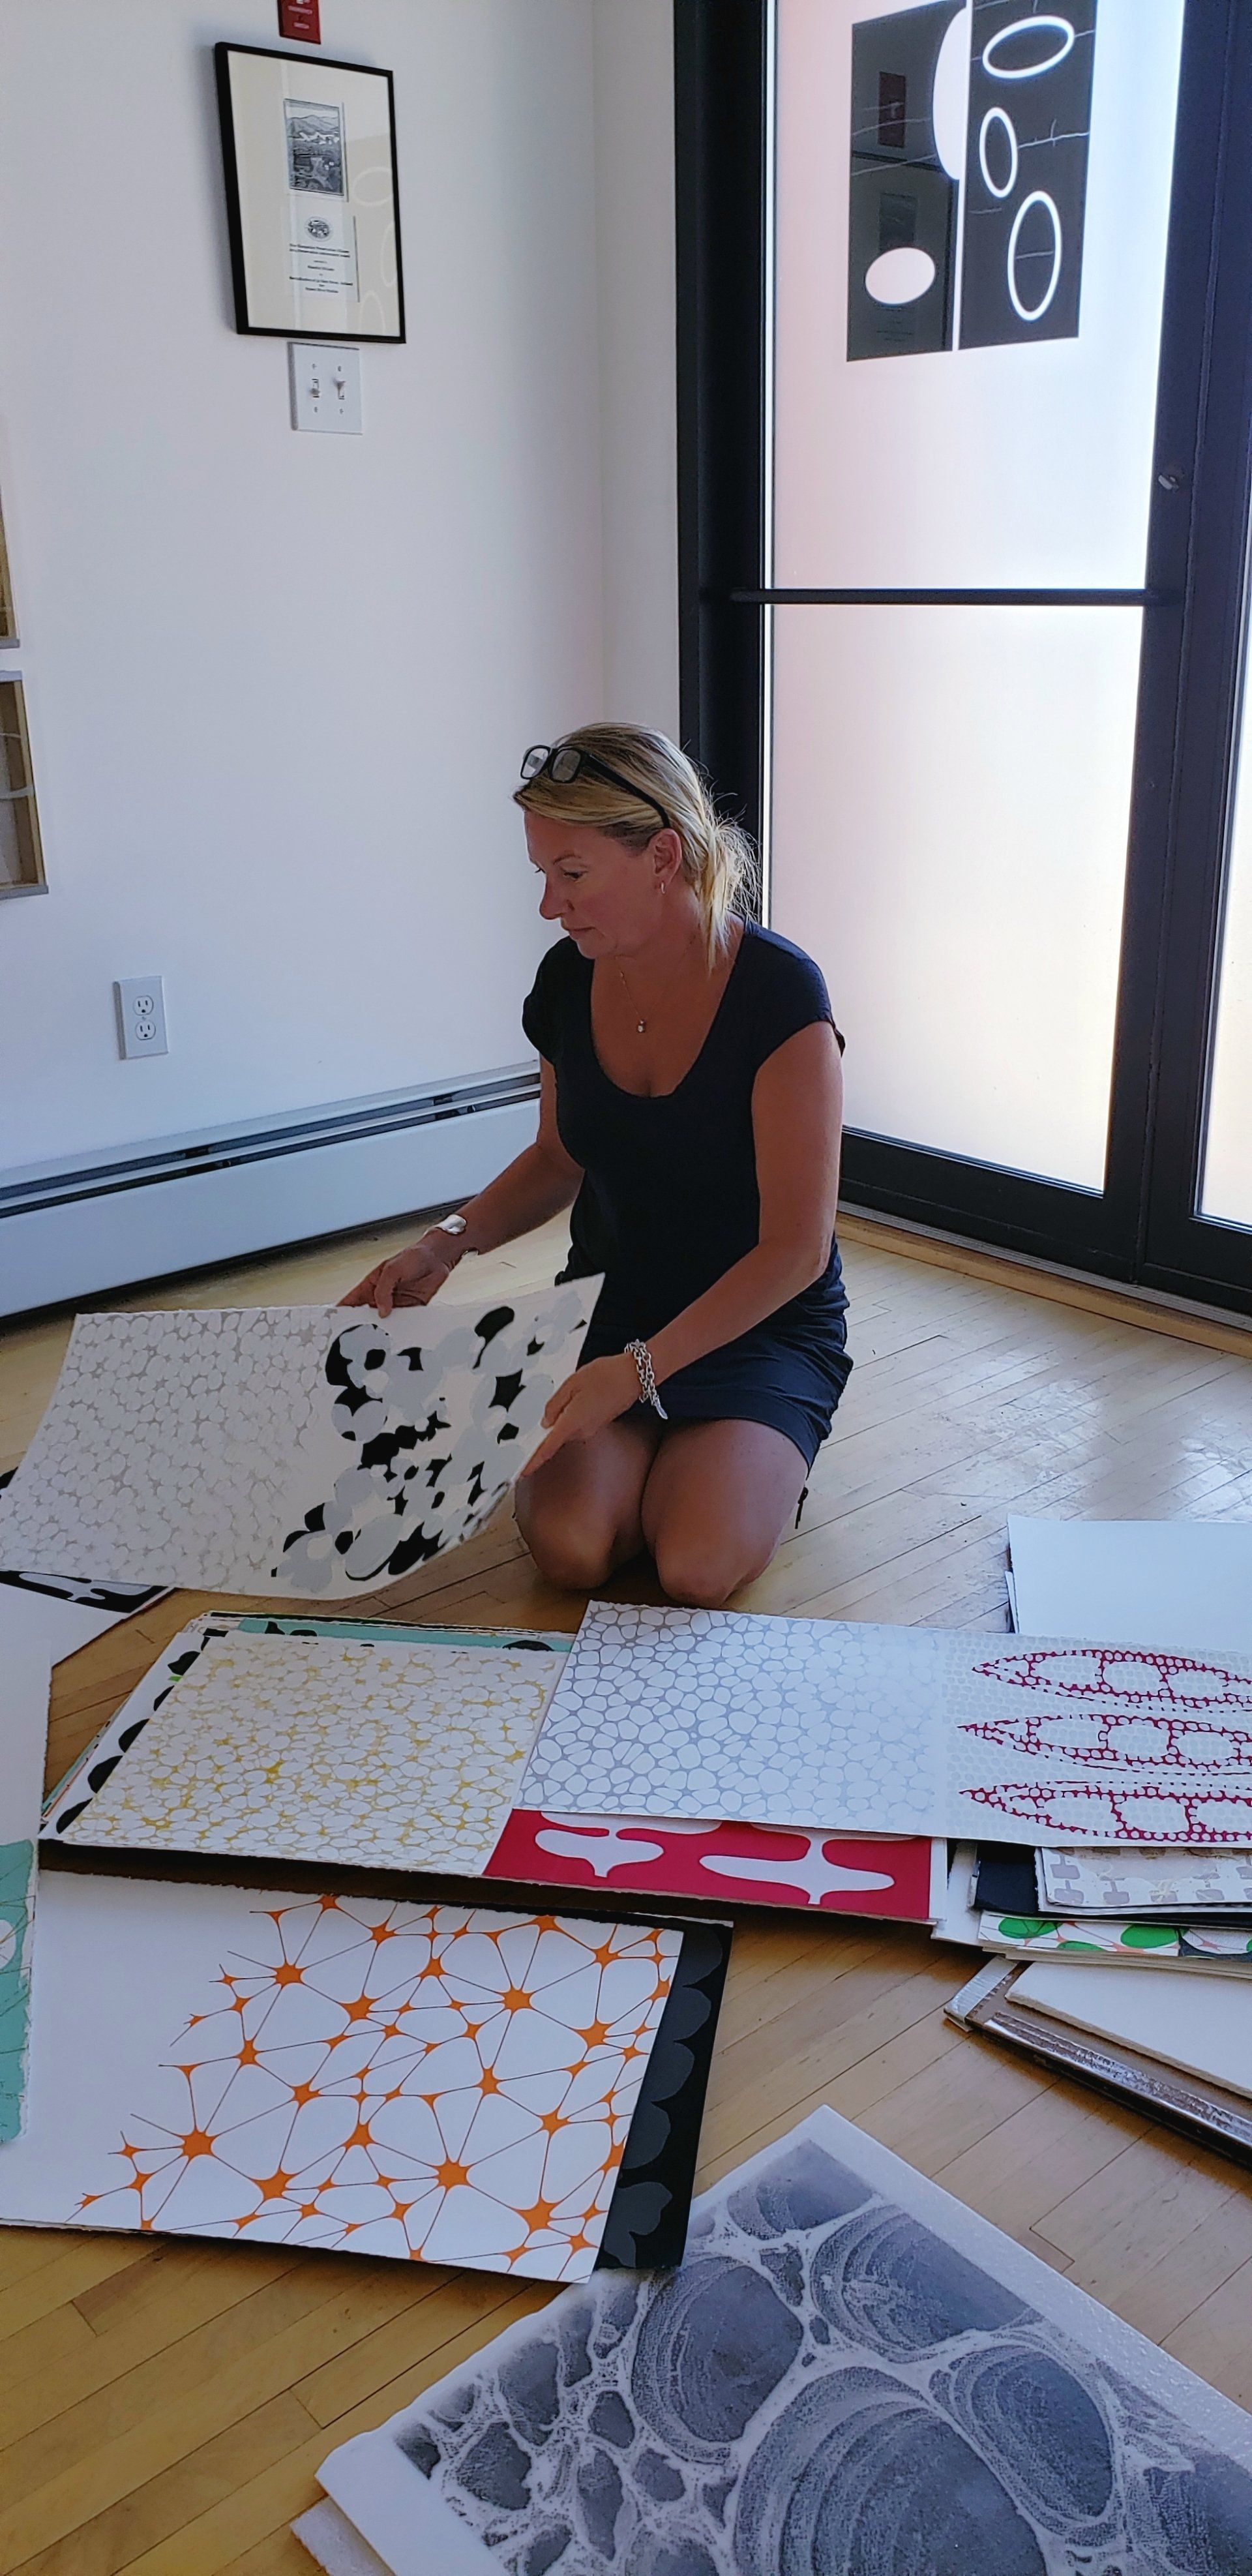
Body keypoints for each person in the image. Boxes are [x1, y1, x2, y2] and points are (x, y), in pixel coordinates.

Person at [343, 723, 850, 1606]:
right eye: (542, 874)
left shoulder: (781, 996)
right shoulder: (568, 979)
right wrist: (443, 1244)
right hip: (611, 1308)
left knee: (693, 1562)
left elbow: (795, 1252)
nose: (549, 904)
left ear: (662, 856)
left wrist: (642, 1373)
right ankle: (667, 1456)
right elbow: (557, 1155)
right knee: (572, 1549)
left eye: (571, 874)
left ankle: (754, 1456)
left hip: (758, 1323)